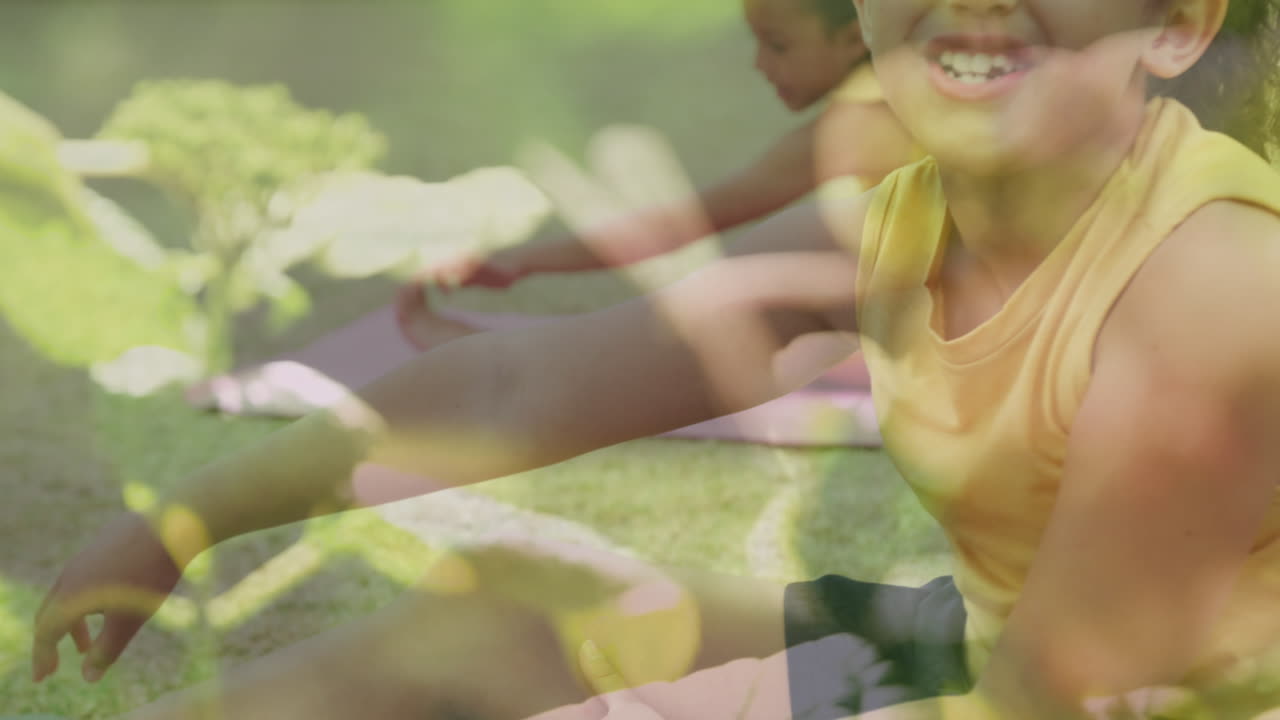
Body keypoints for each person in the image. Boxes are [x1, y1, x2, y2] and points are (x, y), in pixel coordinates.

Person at [31, 0, 1280, 717]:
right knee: (502, 608)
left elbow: (1054, 695)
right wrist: (180, 525)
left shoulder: (1208, 292)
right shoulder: (891, 219)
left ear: (1170, 26)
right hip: (967, 642)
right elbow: (517, 385)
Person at [185, 0, 919, 448]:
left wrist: (526, 263)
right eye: (754, 41)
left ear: (856, 34)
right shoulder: (884, 110)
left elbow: (686, 222)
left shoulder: (872, 124)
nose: (760, 65)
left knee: (735, 317)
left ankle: (488, 358)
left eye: (780, 44)